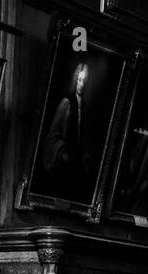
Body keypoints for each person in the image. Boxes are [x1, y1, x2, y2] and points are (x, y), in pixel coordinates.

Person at [41, 62, 92, 201]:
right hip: (64, 162)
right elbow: (53, 135)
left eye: (84, 81)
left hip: (77, 164)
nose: (81, 84)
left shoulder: (86, 107)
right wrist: (62, 153)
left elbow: (86, 138)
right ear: (76, 80)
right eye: (80, 80)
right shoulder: (66, 103)